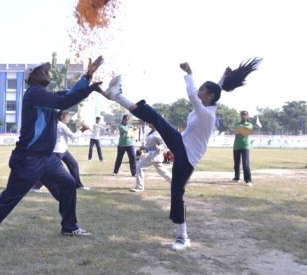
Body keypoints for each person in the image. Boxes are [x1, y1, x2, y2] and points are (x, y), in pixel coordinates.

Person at [101, 57, 262, 251]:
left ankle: (183, 237)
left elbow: (194, 95)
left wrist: (189, 74)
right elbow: (215, 90)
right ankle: (117, 95)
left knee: (177, 194)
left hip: (188, 156)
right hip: (181, 144)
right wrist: (223, 77)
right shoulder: (208, 105)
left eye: (202, 89)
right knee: (155, 116)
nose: (199, 90)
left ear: (209, 96)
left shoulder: (206, 114)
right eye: (200, 87)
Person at [0, 56, 104, 256]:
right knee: (9, 198)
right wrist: (90, 89)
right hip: (29, 159)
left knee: (69, 184)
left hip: (47, 158)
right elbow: (65, 99)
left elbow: (69, 94)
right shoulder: (34, 94)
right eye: (43, 71)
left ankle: (69, 226)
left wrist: (87, 76)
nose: (48, 73)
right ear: (33, 77)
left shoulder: (44, 96)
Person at [130, 123, 171, 192]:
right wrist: (144, 148)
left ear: (155, 124)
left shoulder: (158, 133)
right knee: (163, 172)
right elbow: (150, 146)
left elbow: (164, 145)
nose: (149, 123)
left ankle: (139, 187)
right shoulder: (151, 132)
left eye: (150, 122)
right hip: (152, 155)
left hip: (154, 155)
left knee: (140, 168)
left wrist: (159, 147)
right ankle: (177, 184)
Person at [54, 110, 89, 190]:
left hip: (62, 150)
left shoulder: (59, 124)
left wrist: (81, 129)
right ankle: (36, 187)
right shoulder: (61, 125)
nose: (69, 118)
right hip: (58, 151)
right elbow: (73, 136)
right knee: (52, 170)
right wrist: (82, 130)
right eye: (67, 117)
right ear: (62, 117)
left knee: (73, 164)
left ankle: (78, 185)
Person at [232, 110, 253, 186]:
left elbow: (246, 131)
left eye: (245, 115)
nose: (243, 116)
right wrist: (242, 130)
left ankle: (248, 180)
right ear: (240, 116)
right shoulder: (236, 124)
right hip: (236, 146)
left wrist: (241, 129)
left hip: (245, 146)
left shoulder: (250, 124)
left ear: (247, 116)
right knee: (236, 163)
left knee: (246, 163)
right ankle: (236, 177)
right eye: (242, 115)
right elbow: (236, 132)